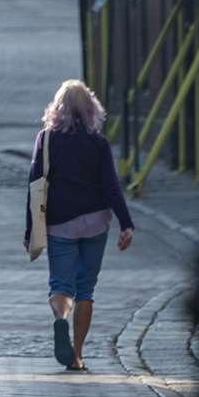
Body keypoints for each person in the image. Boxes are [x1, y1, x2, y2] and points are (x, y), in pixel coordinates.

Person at [23, 80, 133, 371]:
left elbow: (35, 184)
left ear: (57, 109)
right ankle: (78, 355)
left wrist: (29, 229)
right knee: (86, 289)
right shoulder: (97, 143)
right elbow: (111, 185)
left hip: (60, 223)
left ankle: (61, 319)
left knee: (61, 285)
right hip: (96, 221)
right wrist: (126, 223)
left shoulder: (46, 139)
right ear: (90, 110)